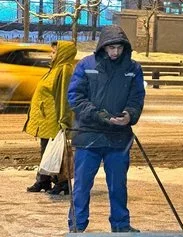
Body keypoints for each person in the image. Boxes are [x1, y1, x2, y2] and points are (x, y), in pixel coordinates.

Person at [67, 25, 145, 233]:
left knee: (118, 185)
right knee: (82, 185)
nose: (115, 52)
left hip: (118, 137)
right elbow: (75, 97)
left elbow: (137, 98)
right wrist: (97, 114)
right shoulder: (86, 66)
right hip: (88, 134)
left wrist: (130, 114)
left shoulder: (133, 69)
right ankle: (76, 226)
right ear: (103, 47)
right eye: (111, 48)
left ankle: (121, 225)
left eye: (119, 48)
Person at [24, 40, 77, 195]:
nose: (51, 55)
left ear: (62, 54)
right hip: (46, 119)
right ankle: (44, 180)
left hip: (55, 119)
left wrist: (64, 120)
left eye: (54, 52)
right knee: (46, 150)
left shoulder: (64, 70)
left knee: (58, 152)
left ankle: (62, 182)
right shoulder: (54, 68)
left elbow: (63, 97)